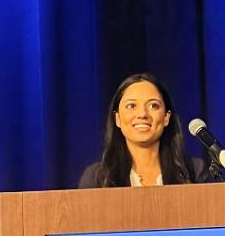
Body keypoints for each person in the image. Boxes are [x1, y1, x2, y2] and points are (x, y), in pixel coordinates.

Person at [78, 73, 210, 188]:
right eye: (131, 106)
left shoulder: (195, 172)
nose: (142, 114)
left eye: (153, 106)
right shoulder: (97, 178)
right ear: (117, 118)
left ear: (166, 117)